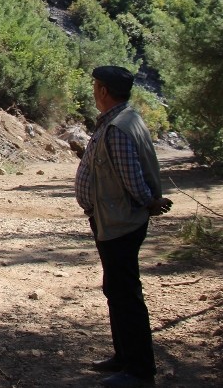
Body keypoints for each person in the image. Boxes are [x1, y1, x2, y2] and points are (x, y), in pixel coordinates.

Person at [74, 66, 173, 388]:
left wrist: (147, 200)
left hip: (119, 221)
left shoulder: (116, 128)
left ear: (102, 90)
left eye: (95, 86)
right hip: (113, 218)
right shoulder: (126, 119)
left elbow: (131, 175)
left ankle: (140, 370)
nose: (93, 91)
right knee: (117, 291)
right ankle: (123, 356)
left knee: (125, 294)